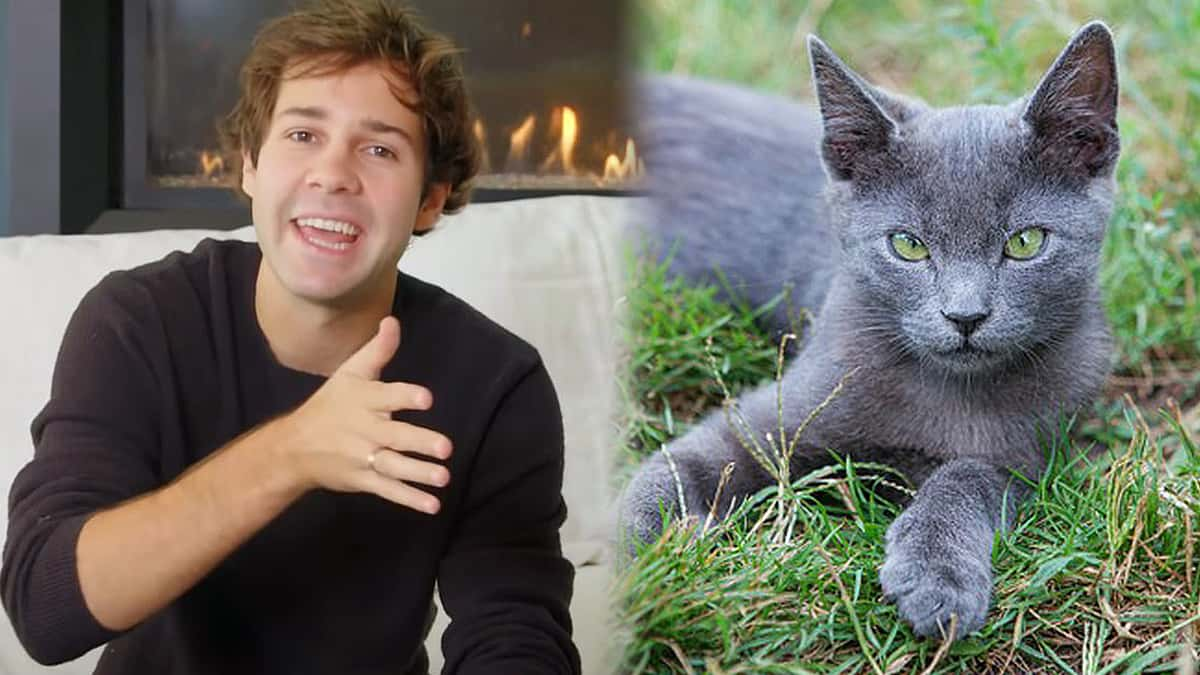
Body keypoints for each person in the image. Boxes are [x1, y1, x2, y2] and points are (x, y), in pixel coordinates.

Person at [0, 1, 581, 673]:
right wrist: (292, 452)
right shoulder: (137, 322)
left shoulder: (495, 381)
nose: (332, 174)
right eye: (303, 135)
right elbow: (45, 608)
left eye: (379, 148)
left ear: (430, 198)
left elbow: (514, 631)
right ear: (249, 163)